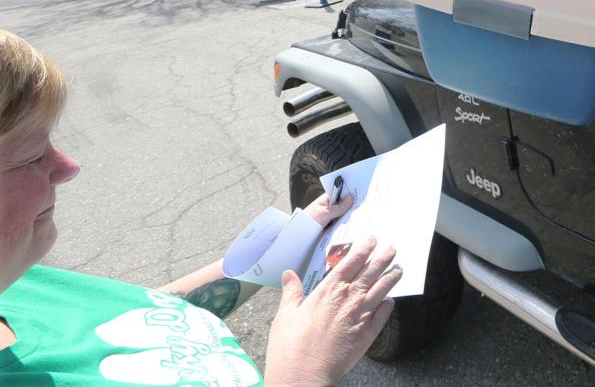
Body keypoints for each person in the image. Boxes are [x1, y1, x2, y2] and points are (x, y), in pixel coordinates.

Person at [0, 28, 402, 386]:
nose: (68, 167)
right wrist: (301, 374)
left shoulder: (21, 286)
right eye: (33, 156)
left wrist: (287, 243)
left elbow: (145, 321)